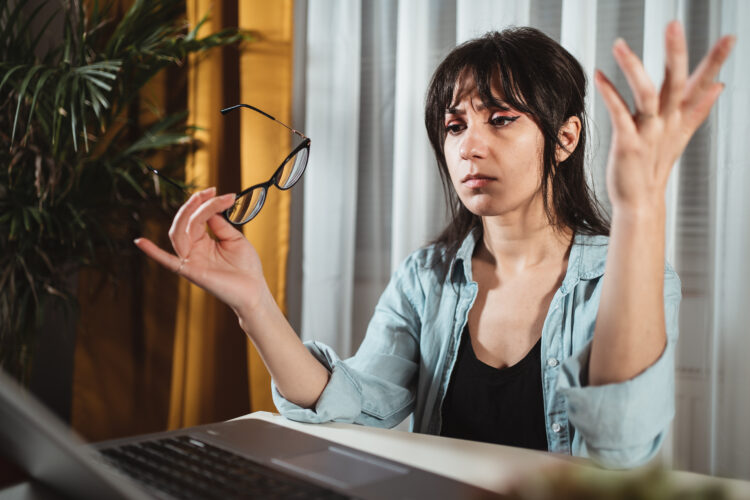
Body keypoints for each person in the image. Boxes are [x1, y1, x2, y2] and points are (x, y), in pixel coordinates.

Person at [135, 21, 735, 468]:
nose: (469, 147)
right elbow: (354, 405)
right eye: (454, 126)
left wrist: (639, 206)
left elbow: (620, 448)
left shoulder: (630, 278)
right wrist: (253, 301)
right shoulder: (428, 276)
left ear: (564, 138)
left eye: (500, 119)